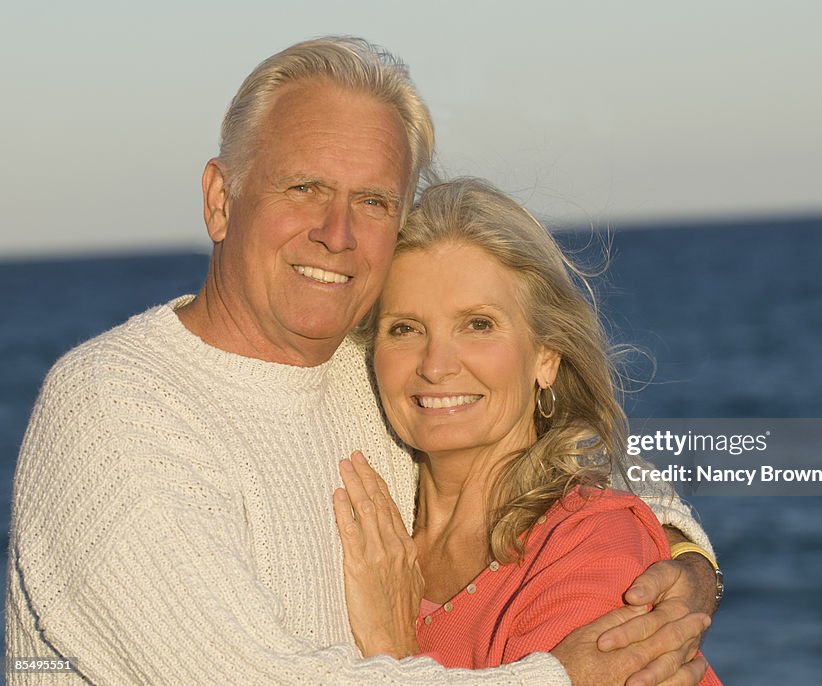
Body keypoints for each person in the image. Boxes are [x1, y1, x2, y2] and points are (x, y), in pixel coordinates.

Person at [5, 37, 717, 685]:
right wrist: (561, 680)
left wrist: (685, 564)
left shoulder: (372, 367)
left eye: (373, 201)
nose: (336, 233)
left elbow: (560, 451)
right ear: (221, 200)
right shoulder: (115, 408)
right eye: (304, 188)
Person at [331, 178, 722, 684]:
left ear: (546, 357)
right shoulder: (374, 527)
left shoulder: (592, 543)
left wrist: (392, 652)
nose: (436, 364)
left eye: (478, 324)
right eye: (405, 328)